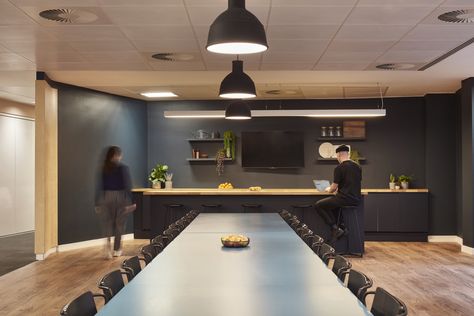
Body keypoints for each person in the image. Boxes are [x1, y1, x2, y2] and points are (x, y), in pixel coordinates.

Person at [315, 144, 362, 242]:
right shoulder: (357, 167)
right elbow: (351, 183)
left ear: (339, 155)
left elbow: (333, 188)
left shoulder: (339, 168)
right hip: (356, 200)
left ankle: (335, 228)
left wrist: (329, 189)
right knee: (333, 205)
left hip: (344, 199)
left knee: (318, 205)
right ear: (347, 154)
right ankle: (341, 226)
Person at [96, 146, 136, 259]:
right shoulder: (123, 168)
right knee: (119, 225)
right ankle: (116, 250)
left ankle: (107, 249)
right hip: (120, 197)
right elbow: (127, 185)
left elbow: (100, 186)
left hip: (106, 197)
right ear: (116, 155)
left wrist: (97, 203)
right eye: (119, 154)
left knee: (107, 224)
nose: (120, 157)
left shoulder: (104, 168)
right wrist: (132, 201)